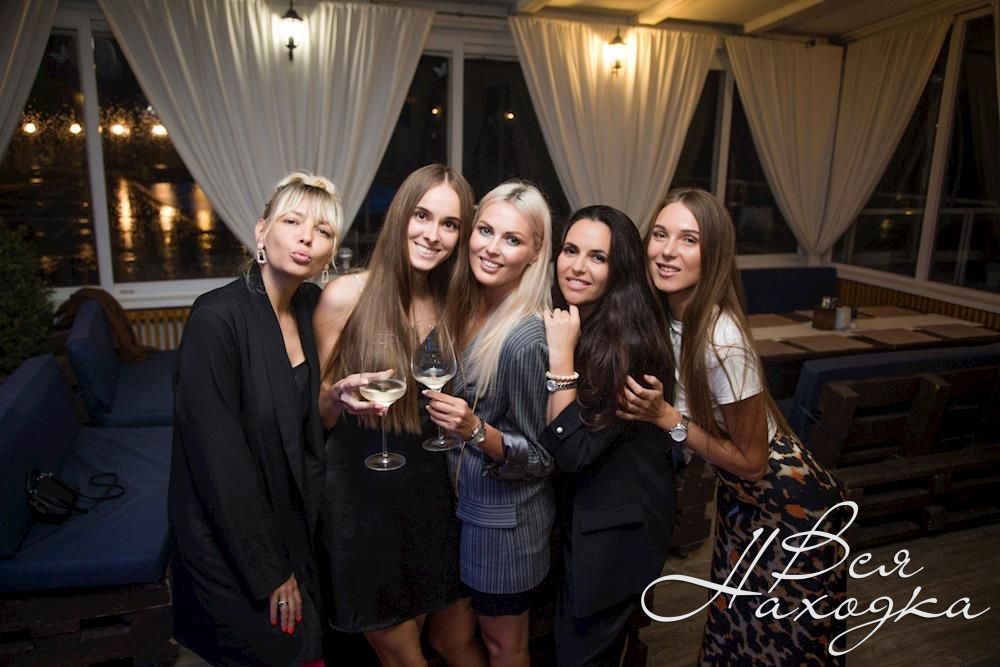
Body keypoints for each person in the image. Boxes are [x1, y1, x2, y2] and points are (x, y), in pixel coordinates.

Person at [620, 188, 847, 665]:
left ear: (715, 254)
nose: (667, 251)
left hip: (789, 503)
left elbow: (753, 462)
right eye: (660, 235)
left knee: (783, 645)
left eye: (689, 240)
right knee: (733, 630)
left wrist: (667, 418)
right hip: (743, 499)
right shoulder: (670, 316)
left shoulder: (722, 339)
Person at [313, 164, 485, 667]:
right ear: (399, 216)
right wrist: (334, 398)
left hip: (432, 495)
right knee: (403, 656)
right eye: (422, 215)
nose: (433, 234)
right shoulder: (345, 296)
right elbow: (315, 416)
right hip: (363, 501)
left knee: (451, 641)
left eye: (449, 224)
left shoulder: (453, 304)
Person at [170, 172, 342, 666]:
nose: (307, 237)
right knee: (276, 649)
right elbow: (218, 462)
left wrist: (336, 399)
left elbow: (300, 427)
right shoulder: (216, 317)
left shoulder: (310, 308)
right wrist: (269, 571)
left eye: (323, 231)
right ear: (262, 230)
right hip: (230, 537)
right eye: (292, 221)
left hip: (290, 522)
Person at [423, 181, 555, 667]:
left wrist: (475, 430)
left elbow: (542, 458)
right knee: (447, 639)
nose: (492, 248)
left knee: (505, 648)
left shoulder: (526, 338)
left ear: (535, 252)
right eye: (485, 231)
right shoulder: (463, 307)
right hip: (457, 512)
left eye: (512, 239)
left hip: (503, 526)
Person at [541, 205, 676, 667]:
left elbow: (572, 451)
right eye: (571, 250)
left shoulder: (632, 345)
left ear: (620, 269)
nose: (577, 266)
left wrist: (561, 360)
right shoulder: (581, 319)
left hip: (617, 535)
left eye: (597, 257)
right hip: (584, 515)